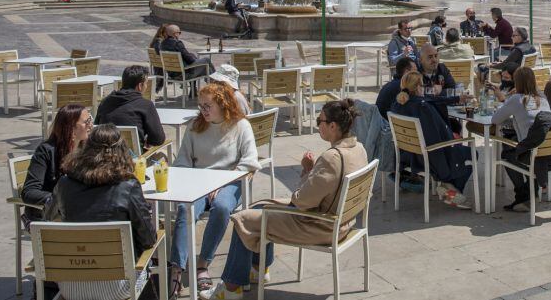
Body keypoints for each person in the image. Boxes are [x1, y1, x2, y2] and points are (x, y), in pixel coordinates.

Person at [208, 100, 368, 300]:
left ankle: (231, 289)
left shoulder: (331, 158)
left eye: (320, 120)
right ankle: (259, 269)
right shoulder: (359, 148)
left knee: (243, 218)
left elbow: (301, 201)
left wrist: (307, 170)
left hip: (322, 226)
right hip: (344, 221)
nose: (318, 124)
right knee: (259, 207)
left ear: (333, 126)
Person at [44, 124, 157, 300]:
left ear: (86, 149)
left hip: (71, 287)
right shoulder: (128, 186)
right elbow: (148, 239)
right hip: (117, 287)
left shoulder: (64, 184)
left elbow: (47, 222)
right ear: (122, 151)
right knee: (150, 262)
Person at [170, 82, 260, 294]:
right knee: (185, 208)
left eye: (208, 105)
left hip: (231, 181)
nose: (204, 110)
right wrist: (191, 182)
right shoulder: (195, 126)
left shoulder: (240, 125)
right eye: (201, 105)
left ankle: (203, 263)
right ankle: (176, 268)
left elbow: (250, 161)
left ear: (223, 104)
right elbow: (182, 161)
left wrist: (223, 182)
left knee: (221, 207)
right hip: (199, 182)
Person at [390, 71, 473, 208]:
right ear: (418, 88)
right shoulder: (423, 107)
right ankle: (451, 191)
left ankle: (448, 188)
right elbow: (435, 139)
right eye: (423, 85)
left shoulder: (398, 103)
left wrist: (457, 98)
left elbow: (431, 99)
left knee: (457, 149)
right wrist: (453, 139)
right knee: (471, 153)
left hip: (409, 156)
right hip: (429, 158)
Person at [488, 66, 551, 211]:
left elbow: (496, 119)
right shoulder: (542, 98)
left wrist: (507, 102)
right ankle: (531, 194)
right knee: (525, 146)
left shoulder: (517, 99)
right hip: (549, 151)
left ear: (517, 83)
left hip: (533, 154)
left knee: (507, 154)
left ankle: (523, 196)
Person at [22, 105, 92, 229]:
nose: (90, 125)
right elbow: (29, 192)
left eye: (90, 120)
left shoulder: (87, 148)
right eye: (86, 122)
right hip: (47, 215)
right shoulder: (46, 151)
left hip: (77, 210)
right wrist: (61, 199)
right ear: (71, 127)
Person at [96, 65, 166, 150]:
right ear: (140, 86)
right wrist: (148, 141)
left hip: (105, 155)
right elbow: (158, 139)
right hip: (133, 159)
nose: (146, 86)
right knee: (163, 156)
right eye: (146, 83)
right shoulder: (146, 105)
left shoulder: (105, 102)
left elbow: (96, 128)